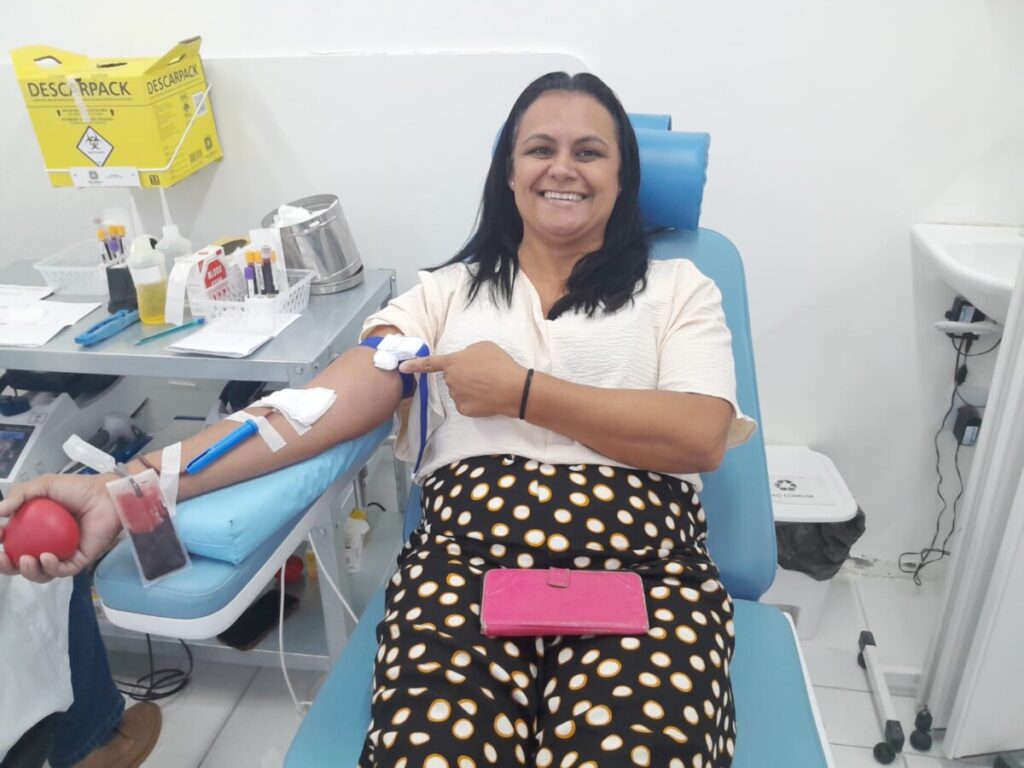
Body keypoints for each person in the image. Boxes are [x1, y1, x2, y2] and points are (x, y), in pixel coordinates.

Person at [0, 71, 754, 767]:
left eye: (589, 152)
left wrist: (522, 392)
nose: (563, 168)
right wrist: (128, 487)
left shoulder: (677, 290)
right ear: (509, 171)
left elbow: (699, 435)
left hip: (645, 570)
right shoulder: (445, 296)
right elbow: (307, 412)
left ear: (623, 178)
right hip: (465, 566)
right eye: (540, 150)